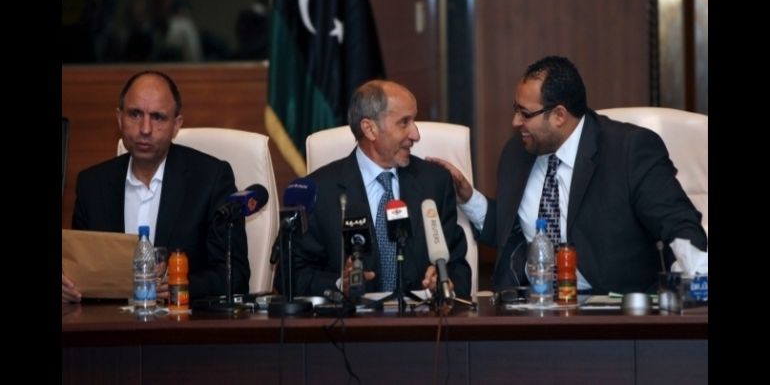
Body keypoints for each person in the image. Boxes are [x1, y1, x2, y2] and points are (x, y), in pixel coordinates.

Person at [428, 56, 707, 294]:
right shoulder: (518, 152)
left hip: (612, 310)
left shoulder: (629, 150)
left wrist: (691, 283)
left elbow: (679, 225)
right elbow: (509, 231)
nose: (516, 123)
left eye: (525, 114)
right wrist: (468, 196)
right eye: (516, 110)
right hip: (531, 306)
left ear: (559, 115)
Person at [61, 70, 250, 303]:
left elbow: (236, 274)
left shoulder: (210, 179)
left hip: (180, 329)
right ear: (119, 118)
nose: (145, 129)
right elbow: (81, 271)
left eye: (158, 117)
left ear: (176, 125)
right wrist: (68, 287)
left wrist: (181, 285)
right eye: (135, 114)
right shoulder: (92, 184)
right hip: (111, 327)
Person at [291, 80, 472, 298]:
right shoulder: (321, 190)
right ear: (370, 129)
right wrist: (340, 284)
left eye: (414, 121)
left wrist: (444, 281)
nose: (416, 134)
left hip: (420, 324)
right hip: (350, 327)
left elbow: (459, 268)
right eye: (404, 123)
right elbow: (292, 276)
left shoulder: (434, 182)